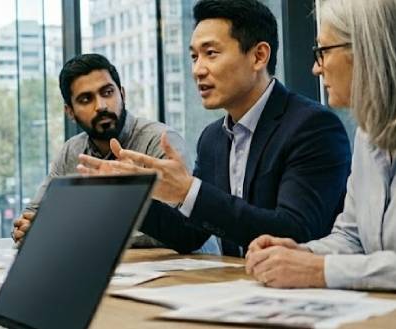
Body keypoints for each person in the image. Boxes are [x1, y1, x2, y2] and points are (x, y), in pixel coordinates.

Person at [77, 0, 351, 257]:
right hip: (236, 288)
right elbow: (189, 235)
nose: (198, 70)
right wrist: (128, 196)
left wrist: (188, 192)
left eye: (211, 54)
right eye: (194, 57)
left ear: (258, 56)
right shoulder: (213, 138)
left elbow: (295, 232)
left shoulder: (312, 126)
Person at [246, 0, 396, 290]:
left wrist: (320, 269)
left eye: (322, 52)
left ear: (365, 50)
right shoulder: (368, 133)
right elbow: (351, 236)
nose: (316, 68)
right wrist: (303, 253)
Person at [10, 53, 221, 252]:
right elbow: (34, 214)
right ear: (70, 112)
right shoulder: (71, 152)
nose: (101, 106)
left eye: (107, 92)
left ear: (122, 94)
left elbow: (177, 229)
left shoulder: (161, 140)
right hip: (121, 273)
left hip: (191, 272)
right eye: (86, 99)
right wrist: (28, 228)